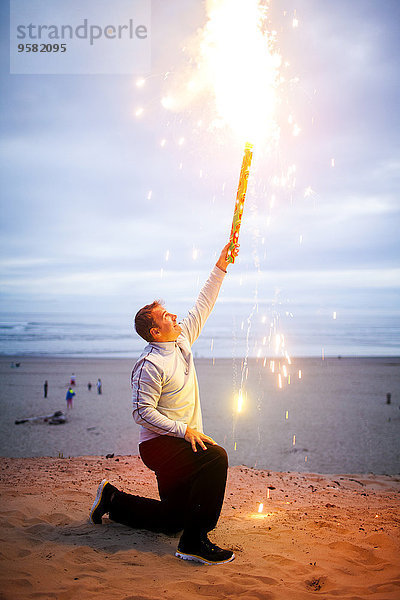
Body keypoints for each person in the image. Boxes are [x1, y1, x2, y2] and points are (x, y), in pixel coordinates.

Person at [89, 242, 238, 565]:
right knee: (215, 458)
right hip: (159, 445)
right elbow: (141, 412)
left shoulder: (182, 339)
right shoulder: (150, 365)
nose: (174, 315)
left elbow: (204, 303)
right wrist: (183, 431)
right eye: (165, 316)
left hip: (181, 440)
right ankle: (194, 543)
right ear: (155, 331)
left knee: (174, 518)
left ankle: (112, 499)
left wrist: (220, 266)